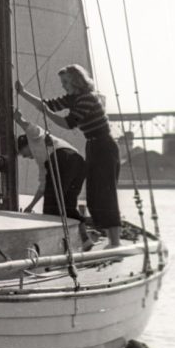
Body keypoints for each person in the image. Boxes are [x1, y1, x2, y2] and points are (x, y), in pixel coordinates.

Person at [16, 64, 121, 247]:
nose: (63, 86)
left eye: (65, 82)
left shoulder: (87, 99)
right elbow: (48, 104)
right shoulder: (74, 98)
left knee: (105, 193)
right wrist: (23, 93)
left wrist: (47, 113)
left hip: (104, 146)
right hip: (93, 145)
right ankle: (110, 239)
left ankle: (115, 242)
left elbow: (68, 123)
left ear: (75, 81)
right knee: (94, 195)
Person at [14, 109, 90, 242]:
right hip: (79, 163)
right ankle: (85, 239)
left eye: (23, 153)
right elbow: (43, 186)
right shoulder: (43, 162)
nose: (26, 157)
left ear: (25, 145)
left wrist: (19, 120)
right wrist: (31, 206)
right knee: (67, 205)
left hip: (61, 158)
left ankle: (52, 243)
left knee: (51, 207)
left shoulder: (34, 139)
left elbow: (31, 128)